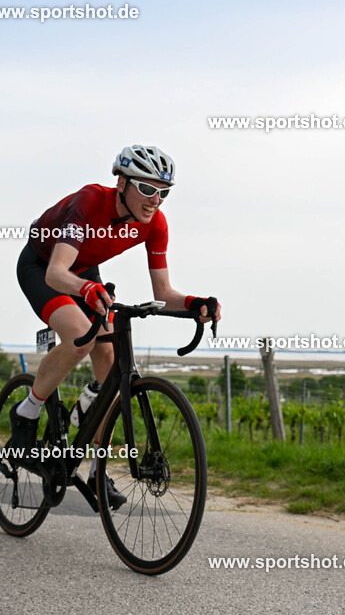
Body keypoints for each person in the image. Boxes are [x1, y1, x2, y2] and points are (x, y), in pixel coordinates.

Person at [13, 145, 220, 507]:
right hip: (44, 266)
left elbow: (163, 291)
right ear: (122, 182)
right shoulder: (90, 201)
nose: (156, 200)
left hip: (85, 272)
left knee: (111, 362)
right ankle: (26, 412)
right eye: (147, 188)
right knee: (80, 336)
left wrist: (194, 304)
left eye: (163, 192)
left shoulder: (155, 224)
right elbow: (57, 273)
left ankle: (96, 469)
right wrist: (87, 287)